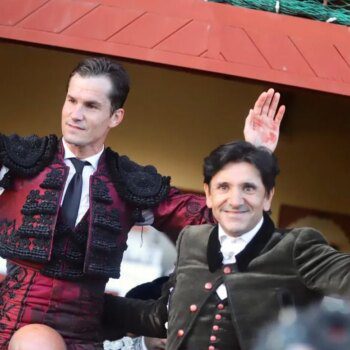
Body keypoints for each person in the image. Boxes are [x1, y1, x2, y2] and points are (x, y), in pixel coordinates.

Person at [0, 56, 284, 349]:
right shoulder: (20, 160)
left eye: (91, 106)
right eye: (71, 101)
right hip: (11, 331)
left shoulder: (128, 184)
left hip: (85, 340)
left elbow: (217, 221)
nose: (75, 114)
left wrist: (256, 155)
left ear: (115, 117)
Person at [104, 141, 350, 350]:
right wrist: (88, 302)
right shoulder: (192, 240)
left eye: (249, 188)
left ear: (268, 197)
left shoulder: (296, 247)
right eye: (224, 187)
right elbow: (164, 315)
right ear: (208, 195)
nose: (235, 200)